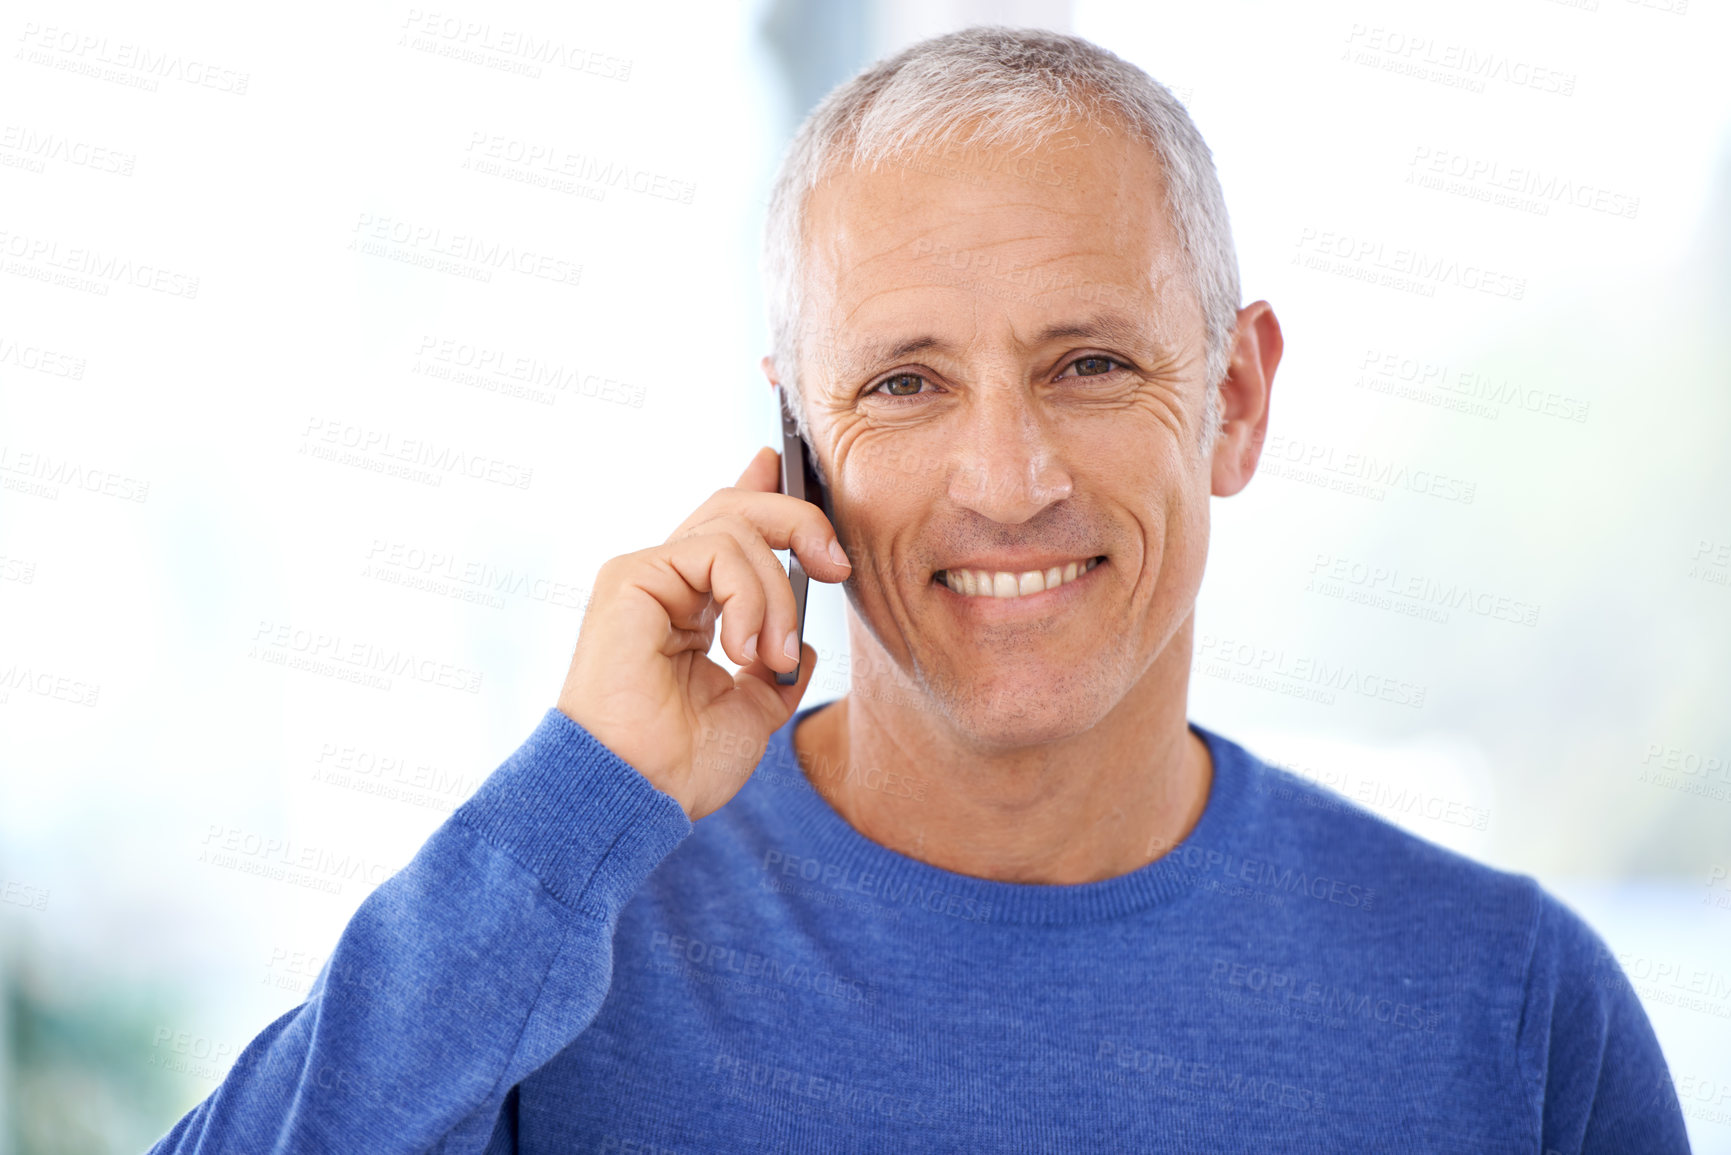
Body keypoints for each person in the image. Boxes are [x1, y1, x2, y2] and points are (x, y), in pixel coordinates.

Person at [149, 27, 1689, 1154]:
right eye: (903, 383)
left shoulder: (1511, 1008)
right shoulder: (557, 955)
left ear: (1233, 402)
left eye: (1090, 365)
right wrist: (580, 792)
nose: (1007, 476)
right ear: (795, 445)